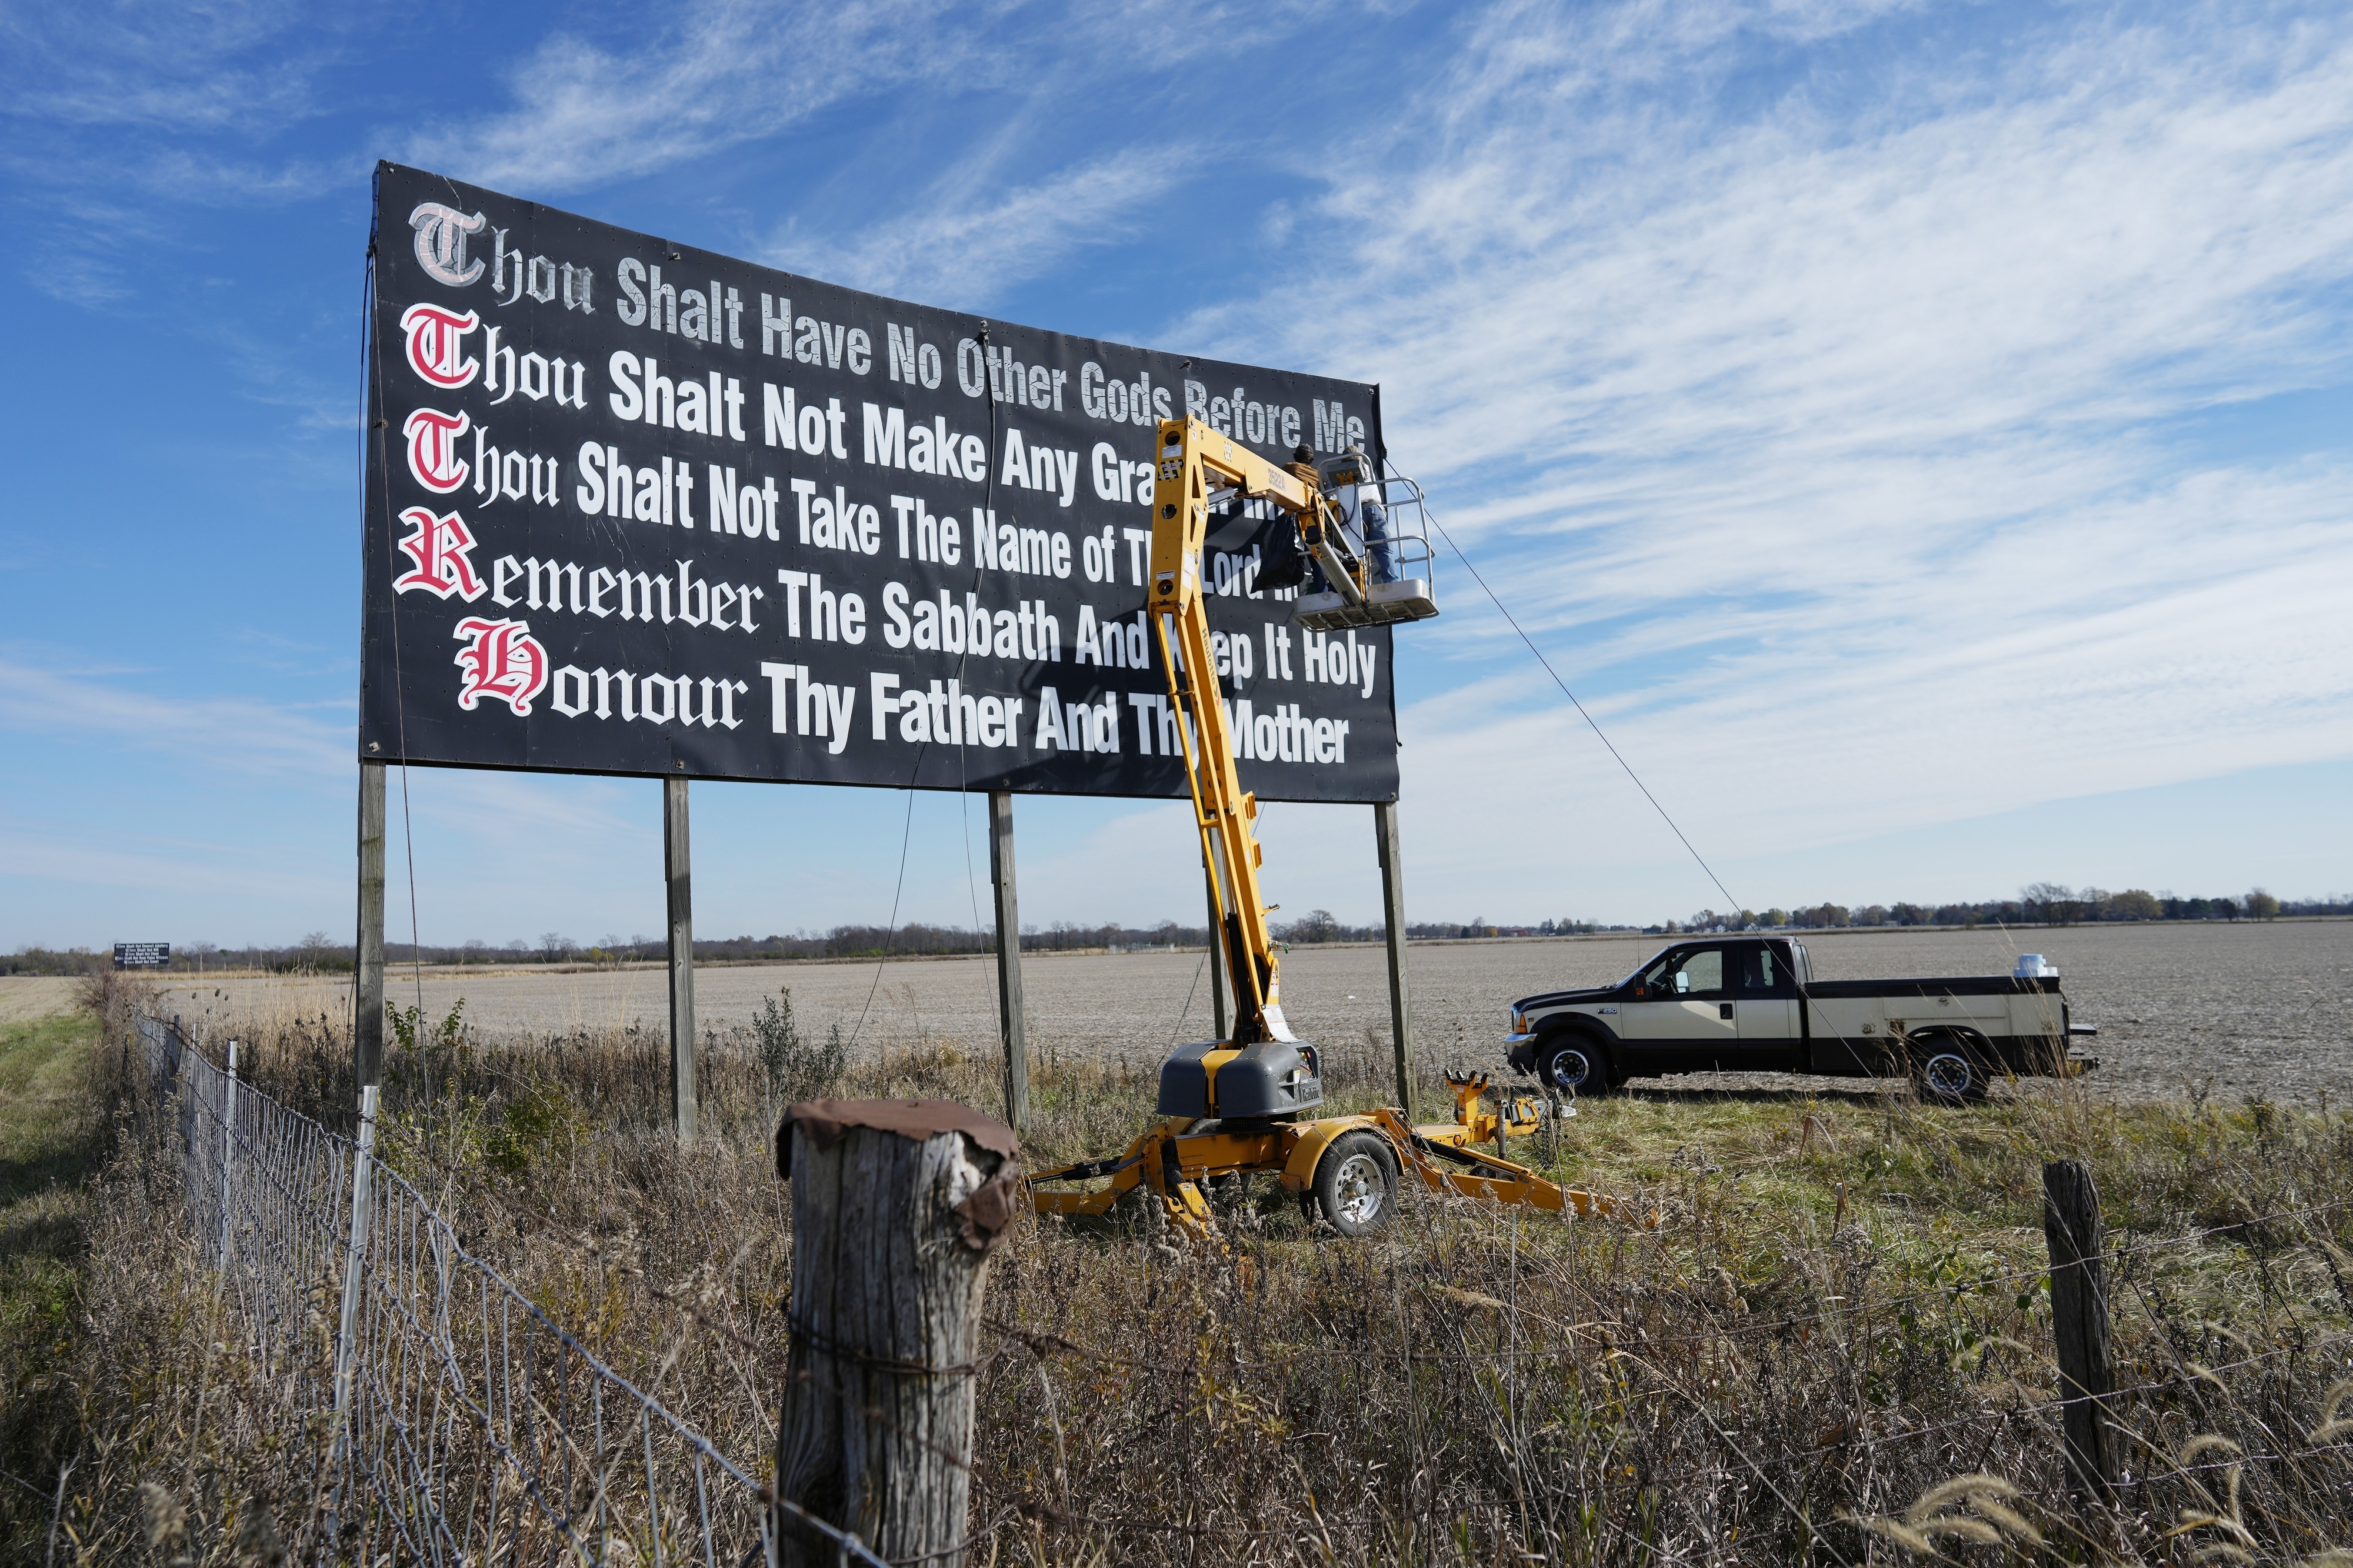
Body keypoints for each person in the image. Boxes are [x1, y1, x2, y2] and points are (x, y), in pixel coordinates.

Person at [1343, 443, 1396, 584]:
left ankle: (1363, 586)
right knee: (1384, 550)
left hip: (1355, 514)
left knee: (1358, 553)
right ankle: (1391, 581)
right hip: (1375, 509)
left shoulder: (1339, 473)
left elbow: (1331, 493)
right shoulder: (1367, 469)